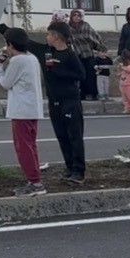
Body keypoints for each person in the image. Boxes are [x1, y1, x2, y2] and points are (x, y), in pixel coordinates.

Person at [0, 28, 47, 197]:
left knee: (23, 147)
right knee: (30, 146)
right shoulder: (31, 58)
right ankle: (34, 179)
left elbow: (6, 83)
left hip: (21, 110)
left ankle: (35, 183)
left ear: (10, 44)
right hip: (32, 108)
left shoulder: (18, 61)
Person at [40, 21, 88, 184]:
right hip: (54, 101)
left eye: (49, 34)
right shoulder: (47, 52)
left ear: (56, 36)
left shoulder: (70, 55)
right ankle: (69, 167)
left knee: (74, 136)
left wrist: (59, 72)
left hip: (70, 101)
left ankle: (78, 171)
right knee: (62, 136)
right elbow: (26, 43)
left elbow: (81, 75)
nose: (46, 37)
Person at [68, 9, 106, 101]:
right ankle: (83, 94)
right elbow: (67, 41)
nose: (76, 17)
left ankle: (93, 94)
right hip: (77, 55)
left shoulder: (86, 26)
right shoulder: (68, 28)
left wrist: (101, 47)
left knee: (91, 75)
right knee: (81, 76)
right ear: (71, 17)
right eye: (74, 15)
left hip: (89, 54)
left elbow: (94, 36)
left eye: (78, 15)